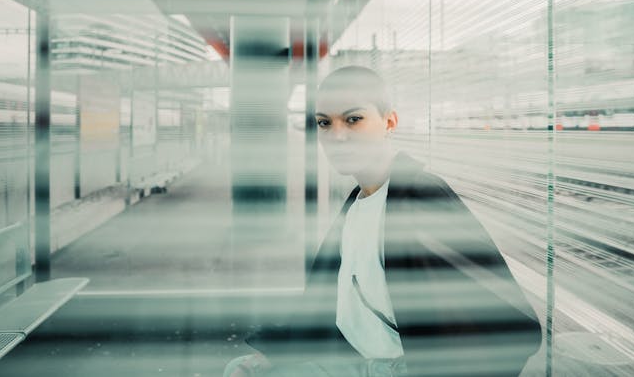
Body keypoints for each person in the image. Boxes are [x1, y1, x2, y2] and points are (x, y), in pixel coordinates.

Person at [225, 66, 541, 376]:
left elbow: (509, 319)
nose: (337, 136)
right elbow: (336, 311)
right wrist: (277, 357)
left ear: (389, 122)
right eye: (324, 123)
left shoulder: (419, 197)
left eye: (353, 120)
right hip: (353, 359)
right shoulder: (356, 205)